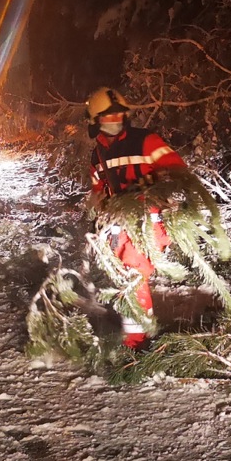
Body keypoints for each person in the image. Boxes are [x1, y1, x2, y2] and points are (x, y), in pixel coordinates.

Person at [86, 87, 187, 348]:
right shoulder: (97, 155)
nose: (115, 121)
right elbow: (99, 190)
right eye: (108, 118)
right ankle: (137, 331)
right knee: (125, 277)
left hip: (147, 220)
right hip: (121, 223)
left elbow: (177, 170)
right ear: (95, 121)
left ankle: (138, 343)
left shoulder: (146, 141)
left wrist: (156, 184)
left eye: (119, 116)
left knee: (134, 274)